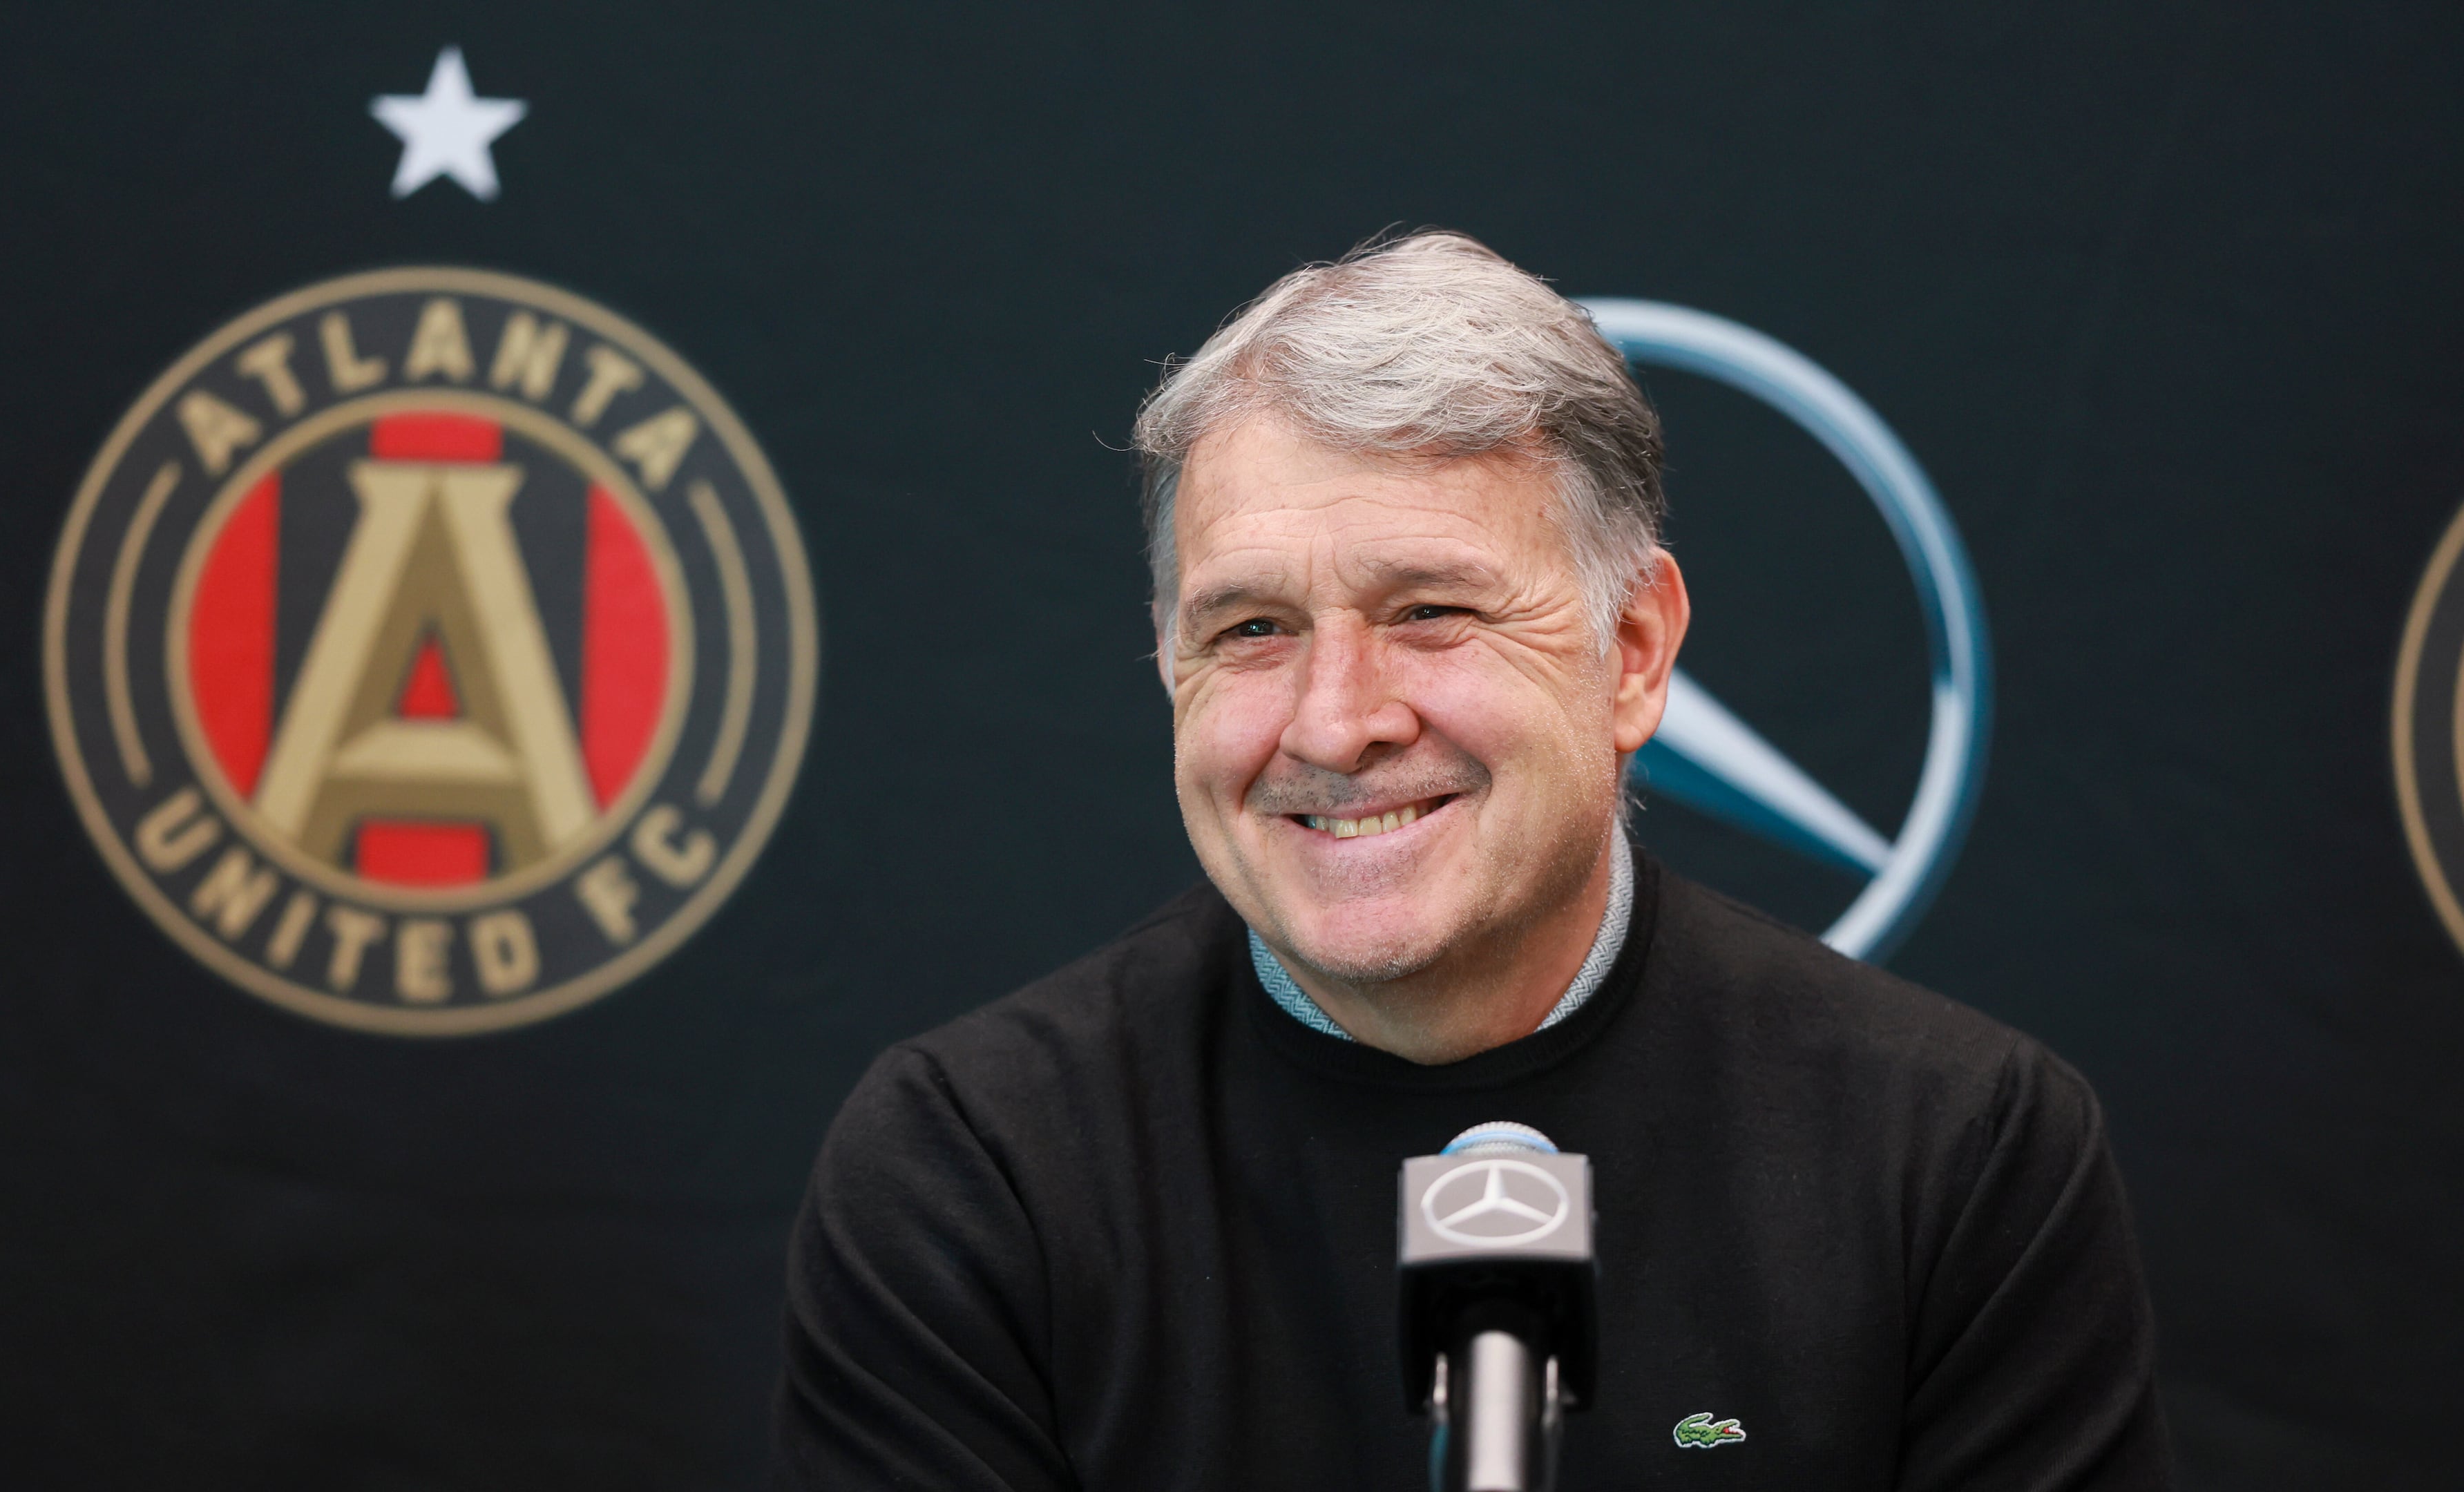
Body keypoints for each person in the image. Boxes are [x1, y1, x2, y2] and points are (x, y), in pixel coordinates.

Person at [770, 231, 2170, 1490]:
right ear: (1166, 664)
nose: (1337, 721)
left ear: (1632, 655)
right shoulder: (974, 1167)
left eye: (1431, 610)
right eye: (1252, 629)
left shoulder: (1959, 1154)